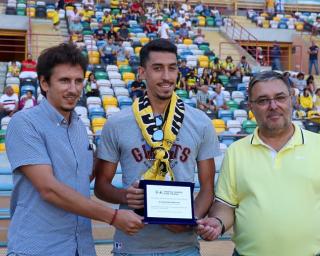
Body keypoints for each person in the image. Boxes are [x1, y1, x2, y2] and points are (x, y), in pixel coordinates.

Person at [5, 43, 144, 256]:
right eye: (64, 81)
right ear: (44, 83)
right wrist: (113, 217)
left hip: (82, 247)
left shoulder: (79, 126)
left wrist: (121, 142)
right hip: (38, 249)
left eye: (78, 81)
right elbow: (48, 189)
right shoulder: (24, 123)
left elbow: (81, 177)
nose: (73, 89)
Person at [94, 39, 220, 255]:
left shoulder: (201, 122)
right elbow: (101, 186)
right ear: (142, 73)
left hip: (183, 247)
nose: (166, 76)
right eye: (158, 68)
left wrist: (192, 219)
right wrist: (125, 196)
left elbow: (207, 188)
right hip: (131, 246)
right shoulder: (117, 123)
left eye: (172, 68)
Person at [197, 71, 320, 256]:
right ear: (251, 107)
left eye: (280, 97)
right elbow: (226, 205)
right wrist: (218, 223)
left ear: (291, 99)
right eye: (263, 100)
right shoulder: (236, 151)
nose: (273, 105)